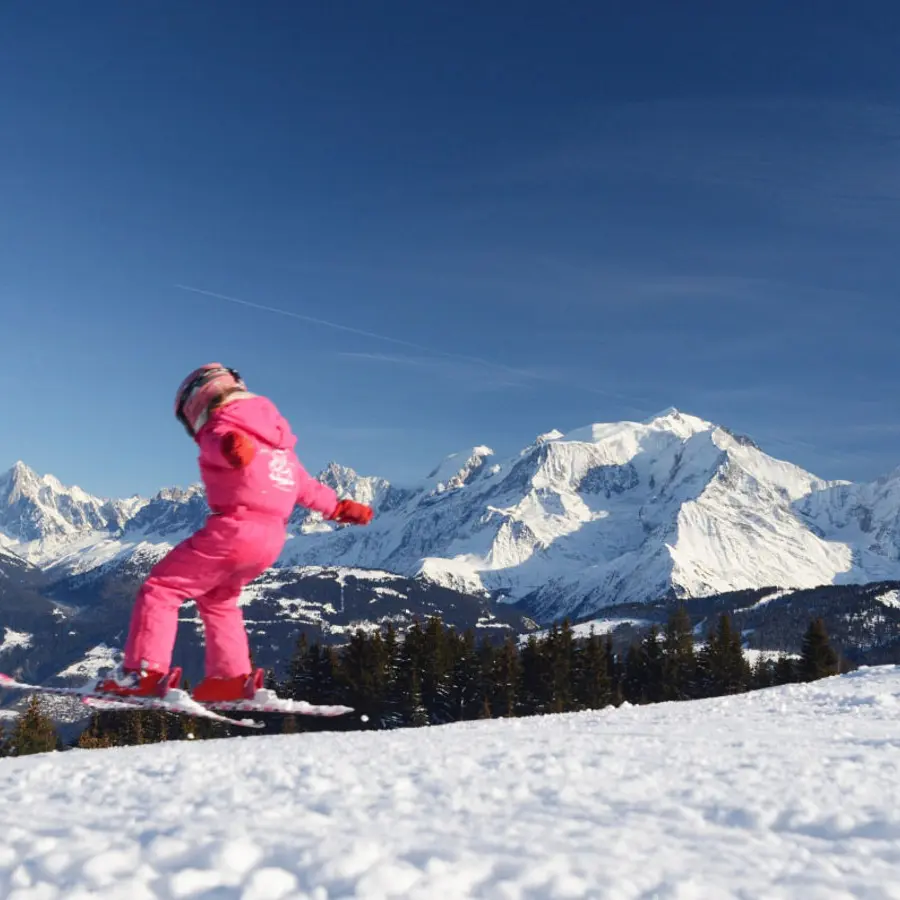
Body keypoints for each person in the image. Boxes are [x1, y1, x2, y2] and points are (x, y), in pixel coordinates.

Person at [98, 363, 373, 702]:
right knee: (219, 599)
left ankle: (141, 673)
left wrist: (231, 446)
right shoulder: (280, 450)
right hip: (270, 540)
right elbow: (308, 489)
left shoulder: (222, 427)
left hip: (233, 531)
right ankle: (230, 679)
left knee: (161, 588)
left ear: (198, 404)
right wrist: (341, 508)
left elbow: (220, 444)